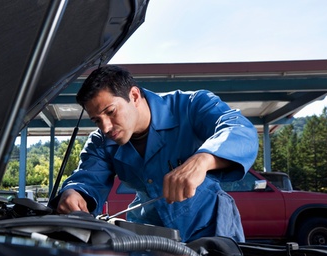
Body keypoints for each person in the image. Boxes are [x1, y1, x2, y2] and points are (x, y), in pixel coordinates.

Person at [51, 65, 258, 242]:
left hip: (212, 230)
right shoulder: (100, 142)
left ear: (134, 96)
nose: (105, 127)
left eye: (110, 112)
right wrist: (74, 193)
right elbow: (87, 179)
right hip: (150, 235)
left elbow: (240, 130)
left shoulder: (193, 106)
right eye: (97, 120)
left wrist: (203, 159)